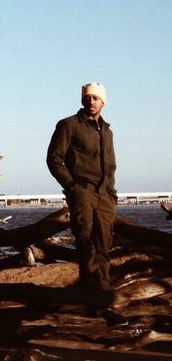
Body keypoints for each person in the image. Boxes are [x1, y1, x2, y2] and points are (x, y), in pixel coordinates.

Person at [47, 82, 117, 290]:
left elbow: (110, 165)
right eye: (87, 97)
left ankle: (102, 294)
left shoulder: (107, 131)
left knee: (104, 244)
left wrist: (111, 192)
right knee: (85, 243)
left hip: (104, 194)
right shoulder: (68, 125)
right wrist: (72, 186)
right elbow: (54, 158)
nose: (91, 101)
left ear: (103, 101)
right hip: (81, 191)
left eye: (95, 98)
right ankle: (89, 292)